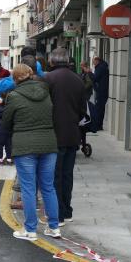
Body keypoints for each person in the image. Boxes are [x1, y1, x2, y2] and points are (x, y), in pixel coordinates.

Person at [2, 64, 61, 241]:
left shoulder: (14, 96)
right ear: (30, 75)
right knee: (48, 187)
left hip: (25, 145)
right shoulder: (46, 91)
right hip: (48, 143)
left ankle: (30, 230)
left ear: (15, 79)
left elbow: (6, 122)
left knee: (29, 188)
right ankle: (54, 227)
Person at [44, 48, 86, 226]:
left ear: (52, 61)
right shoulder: (77, 79)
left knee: (55, 176)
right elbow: (83, 109)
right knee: (68, 174)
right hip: (73, 134)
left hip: (54, 134)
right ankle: (67, 211)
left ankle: (58, 215)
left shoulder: (48, 79)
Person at [92, 56, 109, 130]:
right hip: (103, 90)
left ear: (97, 61)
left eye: (93, 62)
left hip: (101, 91)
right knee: (100, 108)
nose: (93, 64)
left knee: (98, 109)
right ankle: (99, 125)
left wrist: (90, 73)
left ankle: (98, 125)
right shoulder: (103, 66)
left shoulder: (100, 68)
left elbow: (95, 78)